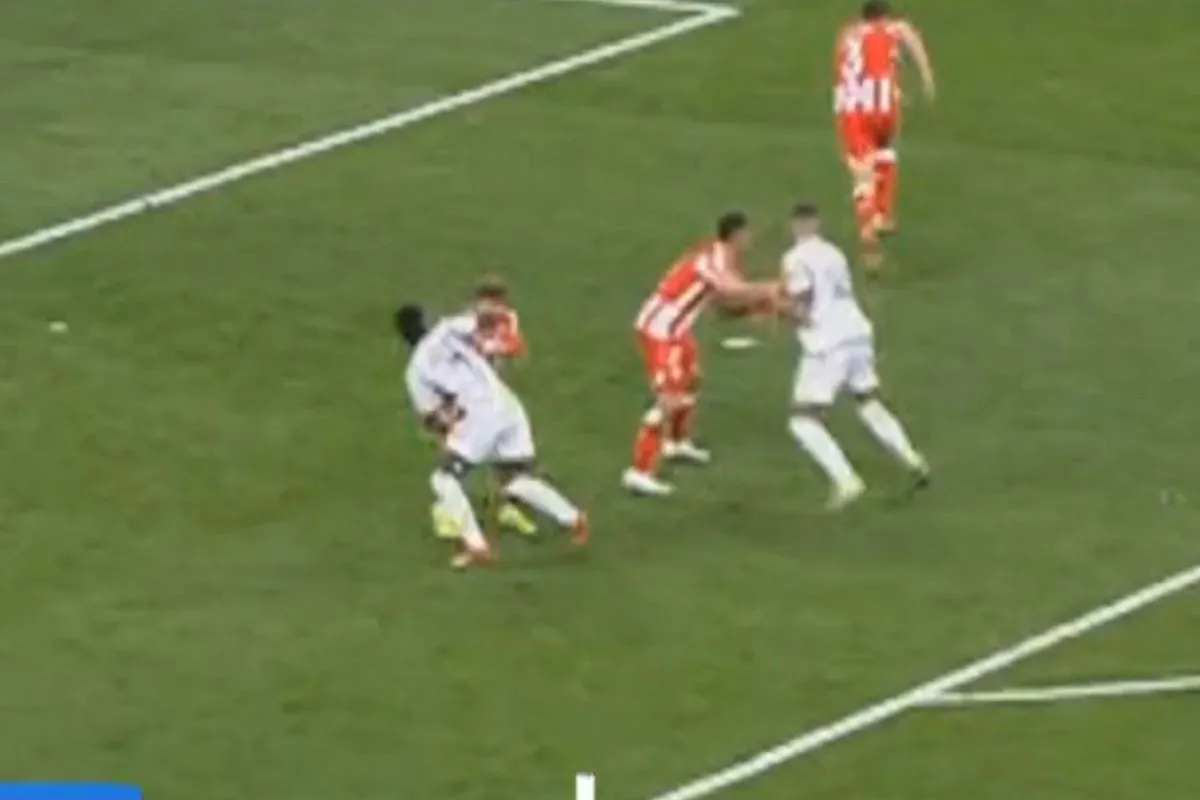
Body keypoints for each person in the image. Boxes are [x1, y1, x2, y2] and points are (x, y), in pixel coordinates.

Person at [397, 291, 588, 569]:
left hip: (480, 413)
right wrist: (503, 330)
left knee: (444, 479)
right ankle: (572, 518)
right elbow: (483, 319)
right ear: (426, 321)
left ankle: (476, 546)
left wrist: (453, 427)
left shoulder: (415, 372)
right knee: (513, 479)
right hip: (508, 406)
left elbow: (434, 419)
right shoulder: (447, 330)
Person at [780, 203, 929, 508]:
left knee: (803, 420)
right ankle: (912, 458)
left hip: (827, 343)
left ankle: (847, 482)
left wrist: (778, 310)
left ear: (793, 226)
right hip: (857, 332)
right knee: (867, 399)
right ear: (817, 224)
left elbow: (803, 305)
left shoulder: (795, 259)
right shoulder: (833, 252)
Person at [623, 211, 781, 497]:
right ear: (736, 235)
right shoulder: (712, 259)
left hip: (678, 329)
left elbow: (722, 307)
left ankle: (676, 443)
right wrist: (770, 289)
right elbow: (731, 289)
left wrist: (755, 307)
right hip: (661, 330)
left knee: (692, 379)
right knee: (669, 399)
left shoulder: (724, 259)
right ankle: (639, 471)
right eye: (747, 233)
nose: (752, 238)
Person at [833, 0, 935, 269]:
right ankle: (883, 214)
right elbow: (911, 40)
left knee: (862, 171)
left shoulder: (847, 34)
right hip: (884, 104)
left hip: (852, 109)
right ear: (885, 15)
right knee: (885, 150)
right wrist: (926, 78)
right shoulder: (894, 28)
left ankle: (868, 227)